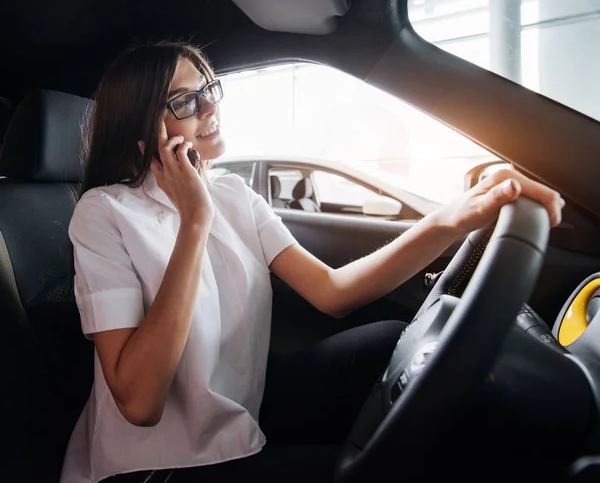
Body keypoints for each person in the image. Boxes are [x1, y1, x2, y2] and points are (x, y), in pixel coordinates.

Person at [60, 41, 564, 483]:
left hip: (239, 413)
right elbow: (140, 404)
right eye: (186, 101)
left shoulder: (233, 194)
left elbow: (334, 292)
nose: (210, 106)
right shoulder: (104, 212)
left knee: (390, 340)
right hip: (156, 465)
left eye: (210, 88)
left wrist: (456, 218)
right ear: (141, 129)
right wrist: (194, 221)